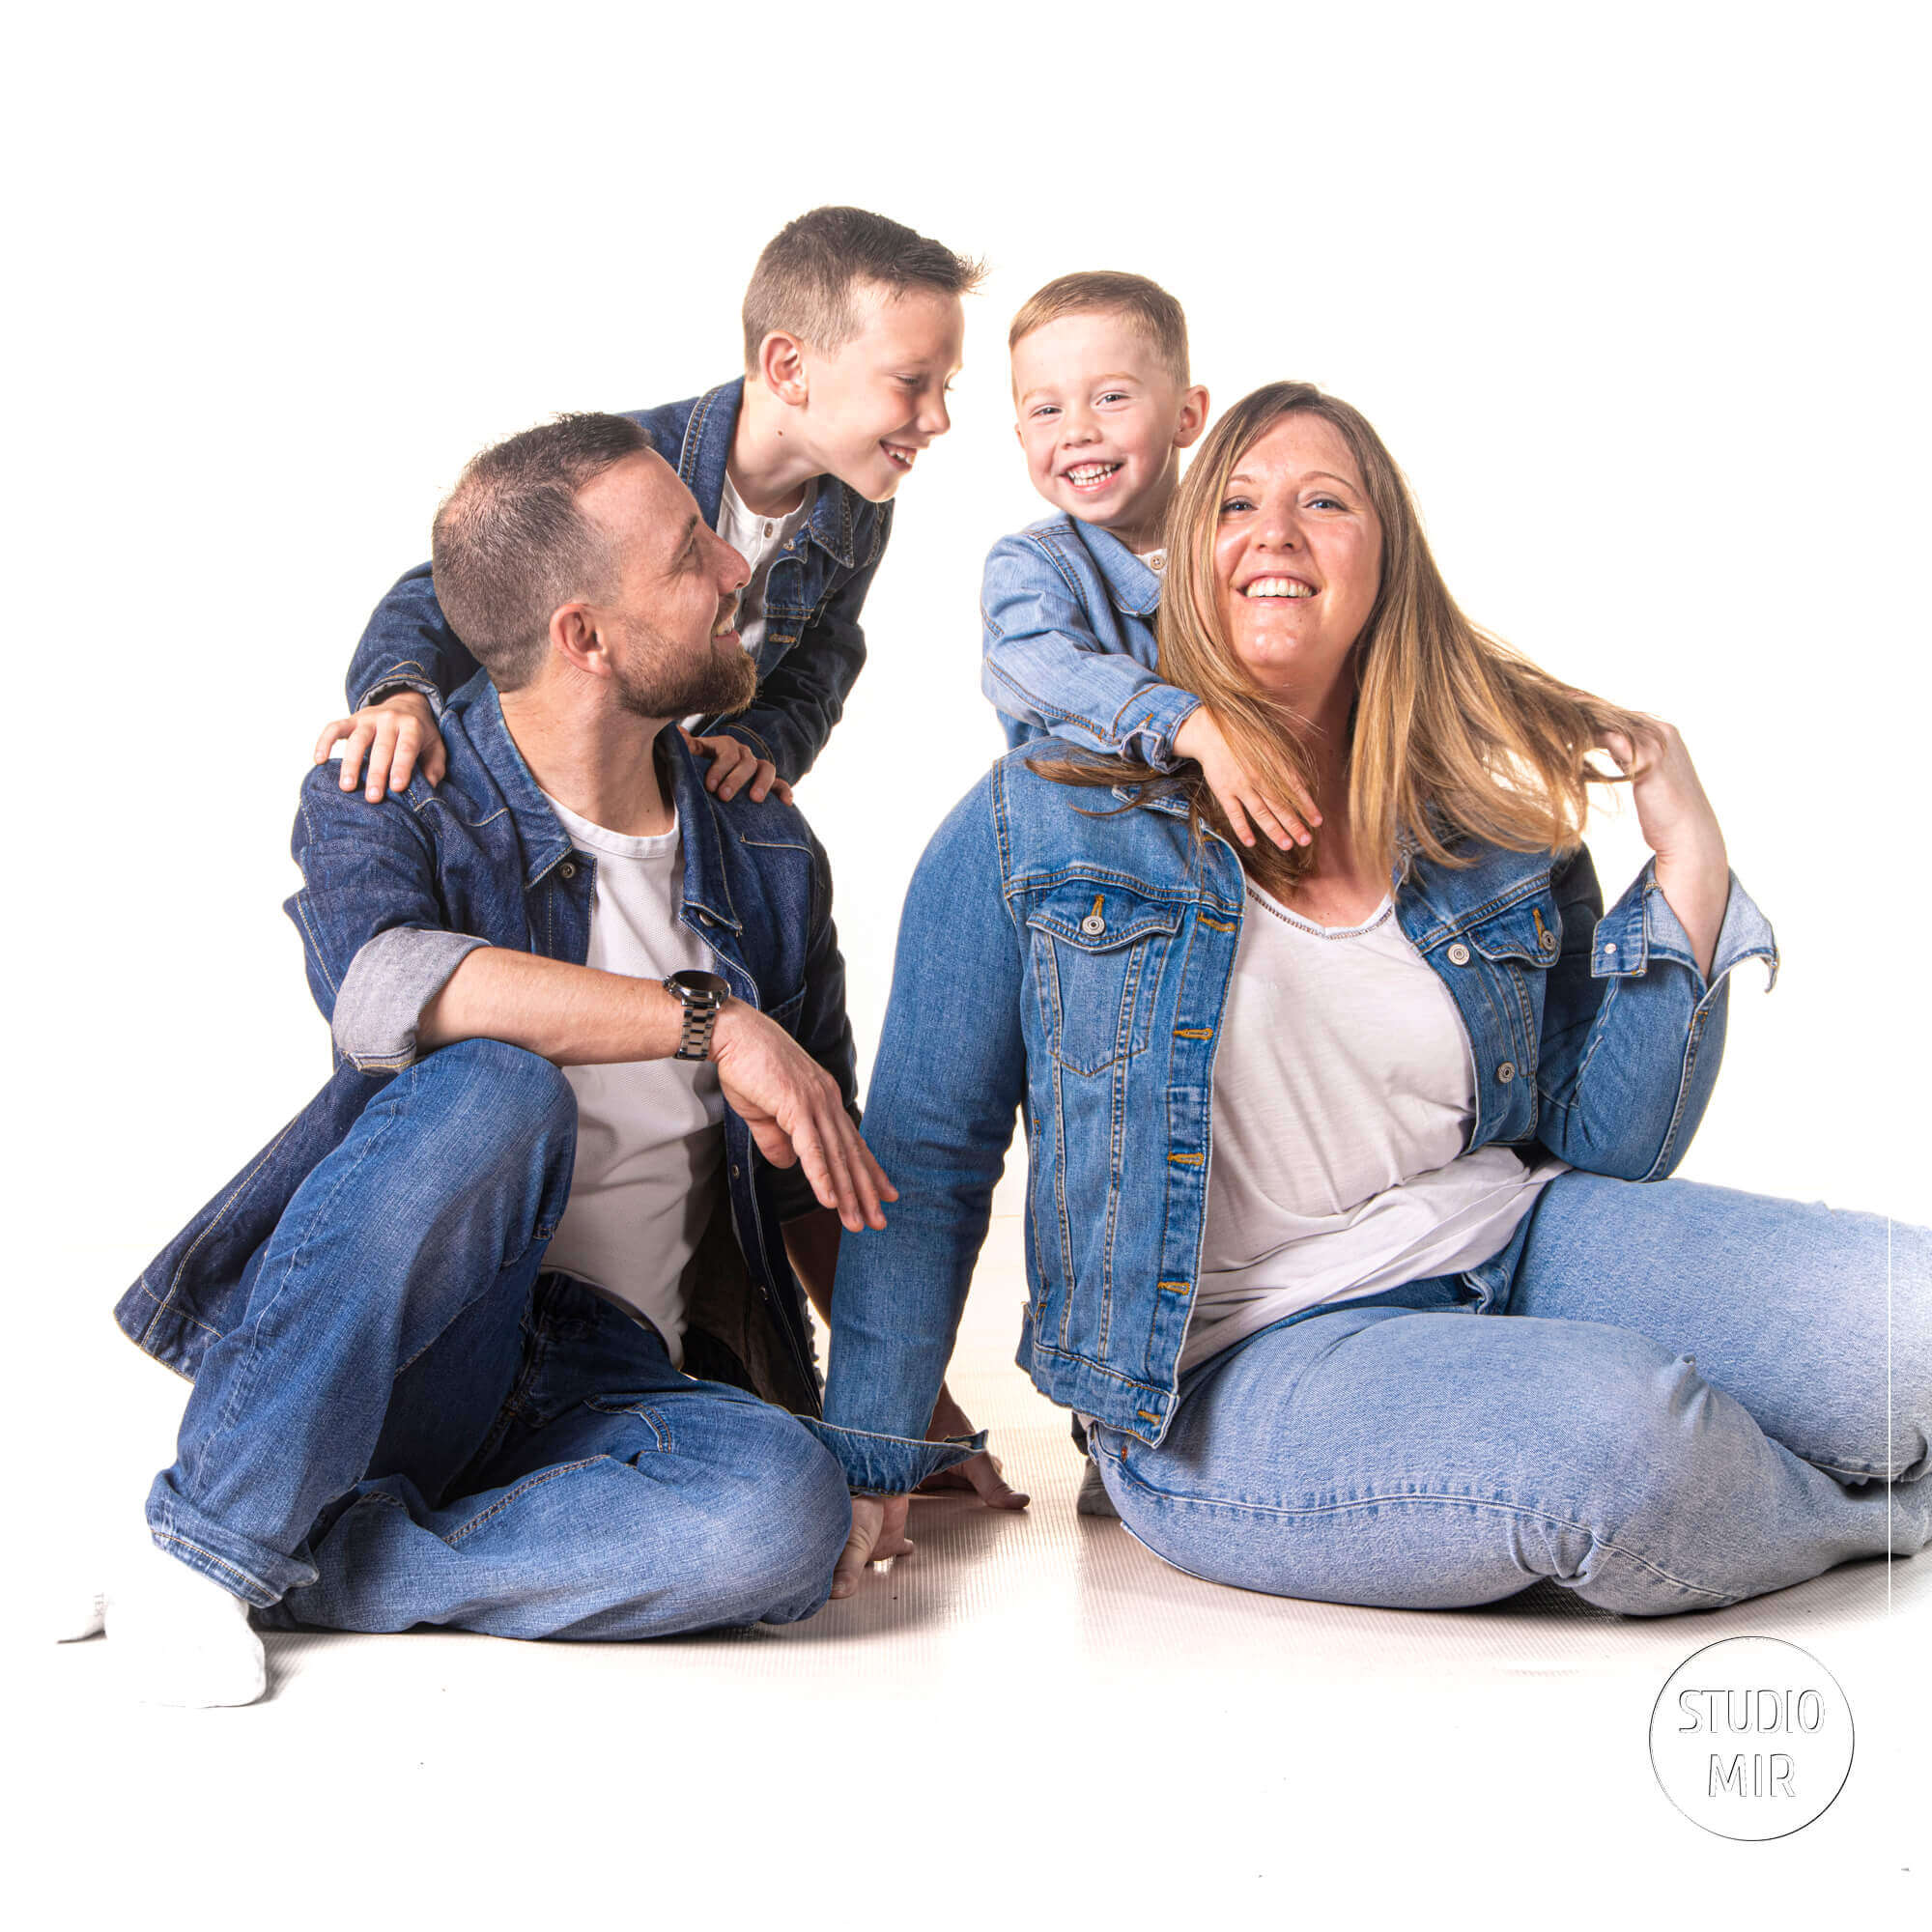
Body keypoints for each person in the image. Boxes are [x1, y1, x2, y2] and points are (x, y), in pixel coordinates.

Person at [817, 379, 1930, 1615]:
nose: (1274, 533)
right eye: (1233, 503)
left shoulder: (1482, 824)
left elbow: (1612, 1143)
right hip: (1240, 1368)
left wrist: (1688, 876)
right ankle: (1872, 1516)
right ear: (1187, 560)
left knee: (1909, 1326)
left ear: (1384, 558)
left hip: (1510, 1237)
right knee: (1617, 1451)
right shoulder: (1035, 820)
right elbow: (925, 1150)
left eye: (1322, 502)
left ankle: (1743, 1464)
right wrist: (873, 1454)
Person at [72, 412, 995, 1706]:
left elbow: (810, 1172)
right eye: (693, 556)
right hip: (405, 1358)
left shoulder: (766, 853)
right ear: (585, 636)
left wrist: (914, 1421)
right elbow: (386, 989)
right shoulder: (391, 788)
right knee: (496, 1085)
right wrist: (709, 1020)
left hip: (614, 1374)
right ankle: (213, 1536)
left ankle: (315, 1567)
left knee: (781, 1517)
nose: (740, 573)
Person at [319, 206, 979, 809]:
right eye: (909, 382)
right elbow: (445, 588)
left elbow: (819, 665)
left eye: (945, 386)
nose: (940, 419)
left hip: (653, 803)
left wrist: (761, 747)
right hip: (504, 797)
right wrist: (402, 698)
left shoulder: (858, 509)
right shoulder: (628, 471)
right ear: (788, 367)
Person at [980, 271, 1312, 855]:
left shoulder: (1238, 544)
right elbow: (1042, 663)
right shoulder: (1033, 562)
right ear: (1019, 437)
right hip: (1103, 857)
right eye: (1046, 411)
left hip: (1255, 845)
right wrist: (1195, 726)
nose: (1078, 431)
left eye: (1110, 398)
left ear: (1187, 416)